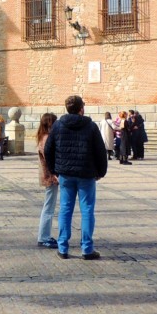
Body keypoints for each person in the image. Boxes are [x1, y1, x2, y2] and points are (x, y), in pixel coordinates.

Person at [44, 95, 108, 260]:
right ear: (81, 108)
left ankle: (63, 247)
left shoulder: (58, 125)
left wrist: (54, 171)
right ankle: (87, 249)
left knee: (65, 210)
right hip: (86, 174)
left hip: (65, 174)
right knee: (87, 210)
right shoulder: (91, 126)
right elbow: (100, 151)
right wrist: (101, 172)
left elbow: (48, 149)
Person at [35, 113, 59, 249]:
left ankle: (45, 235)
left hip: (49, 176)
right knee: (49, 207)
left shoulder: (43, 137)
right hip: (50, 177)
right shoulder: (46, 139)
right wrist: (55, 173)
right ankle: (43, 237)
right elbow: (49, 158)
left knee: (49, 206)